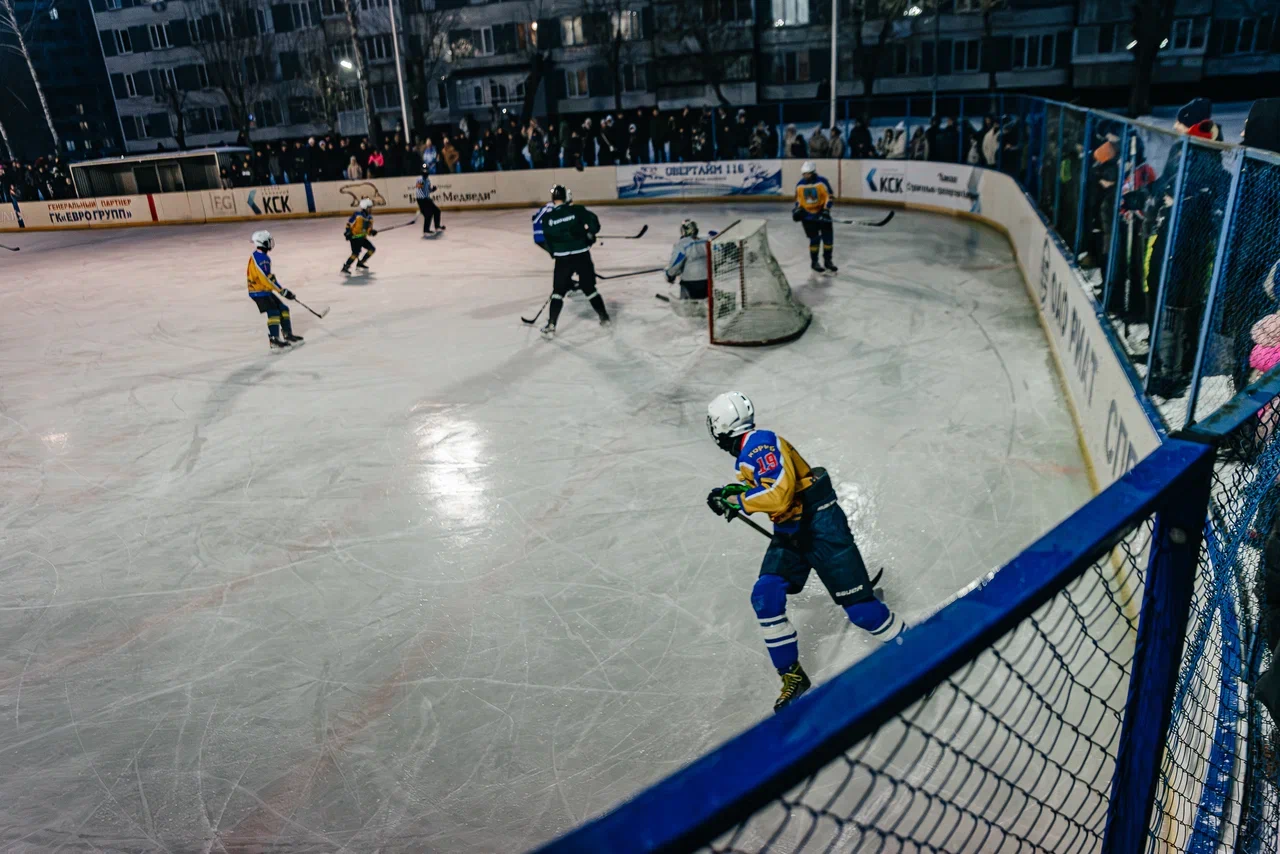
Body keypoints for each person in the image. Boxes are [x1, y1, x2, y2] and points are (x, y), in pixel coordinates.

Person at [704, 392, 903, 712]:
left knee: (864, 613)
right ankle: (793, 675)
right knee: (765, 596)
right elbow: (769, 486)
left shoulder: (759, 446)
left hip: (821, 529)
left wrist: (739, 502)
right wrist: (734, 493)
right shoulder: (750, 452)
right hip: (791, 532)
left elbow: (780, 496)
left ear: (719, 427)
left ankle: (916, 650)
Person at [538, 184, 610, 339]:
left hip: (562, 259)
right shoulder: (576, 210)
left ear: (553, 199)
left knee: (558, 292)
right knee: (589, 288)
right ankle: (604, 318)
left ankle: (551, 325)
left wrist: (555, 253)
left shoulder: (547, 219)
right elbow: (594, 222)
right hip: (581, 255)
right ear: (566, 198)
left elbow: (547, 241)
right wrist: (590, 235)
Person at [246, 230, 302, 352]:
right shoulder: (262, 259)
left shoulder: (260, 255)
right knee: (274, 312)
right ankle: (274, 340)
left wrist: (280, 289)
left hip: (263, 290)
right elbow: (266, 278)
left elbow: (268, 277)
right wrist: (282, 291)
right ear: (263, 243)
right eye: (268, 241)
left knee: (284, 309)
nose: (270, 243)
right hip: (258, 291)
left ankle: (287, 334)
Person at [793, 161, 837, 274]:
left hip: (822, 214)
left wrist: (826, 211)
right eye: (804, 174)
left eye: (807, 174)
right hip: (808, 218)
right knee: (815, 240)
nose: (805, 176)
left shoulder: (822, 182)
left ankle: (828, 261)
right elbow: (799, 200)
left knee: (828, 239)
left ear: (813, 173)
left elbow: (829, 196)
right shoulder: (800, 185)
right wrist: (797, 210)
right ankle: (814, 262)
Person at [665, 219, 709, 301]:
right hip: (707, 280)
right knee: (705, 301)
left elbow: (675, 264)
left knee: (689, 305)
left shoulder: (682, 244)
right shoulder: (706, 241)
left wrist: (669, 274)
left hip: (690, 282)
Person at [341, 198, 378, 274]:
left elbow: (368, 230)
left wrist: (372, 232)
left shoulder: (370, 218)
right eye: (369, 207)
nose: (371, 209)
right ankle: (345, 267)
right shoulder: (357, 215)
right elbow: (349, 224)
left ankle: (360, 263)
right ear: (365, 208)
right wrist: (348, 232)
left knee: (372, 249)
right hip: (355, 238)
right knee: (355, 254)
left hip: (362, 238)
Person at [415, 164, 443, 235]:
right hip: (422, 200)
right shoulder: (420, 180)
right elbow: (419, 191)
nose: (425, 173)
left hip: (426, 199)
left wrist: (432, 190)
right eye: (424, 171)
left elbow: (427, 190)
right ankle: (426, 231)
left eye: (426, 171)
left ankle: (436, 227)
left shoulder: (427, 180)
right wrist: (425, 199)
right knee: (429, 214)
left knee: (436, 211)